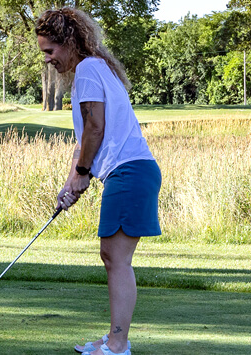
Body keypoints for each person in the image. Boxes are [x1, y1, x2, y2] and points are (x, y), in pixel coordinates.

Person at [38, 7, 161, 355]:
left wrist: (82, 174)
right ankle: (113, 337)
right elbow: (83, 140)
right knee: (112, 256)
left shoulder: (88, 69)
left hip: (130, 171)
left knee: (116, 259)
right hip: (131, 171)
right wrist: (71, 181)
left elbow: (96, 127)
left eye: (50, 50)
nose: (47, 59)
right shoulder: (94, 69)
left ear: (69, 42)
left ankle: (118, 345)